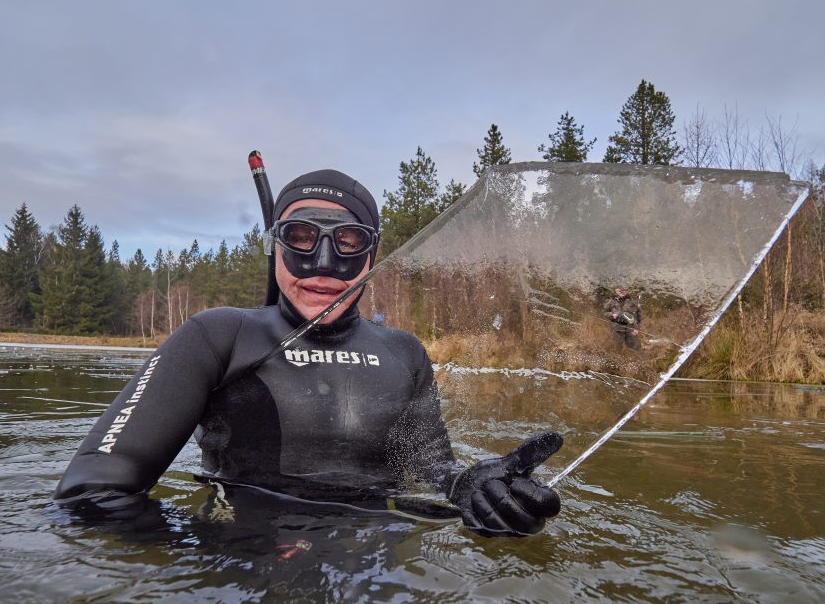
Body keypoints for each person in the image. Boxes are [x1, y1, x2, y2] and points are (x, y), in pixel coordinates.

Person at [54, 168, 562, 537]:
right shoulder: (218, 336)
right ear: (275, 249)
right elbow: (91, 494)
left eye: (347, 241)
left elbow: (428, 463)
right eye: (299, 238)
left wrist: (474, 488)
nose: (322, 264)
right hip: (243, 567)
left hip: (371, 564)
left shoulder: (404, 352)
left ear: (372, 255)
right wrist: (212, 555)